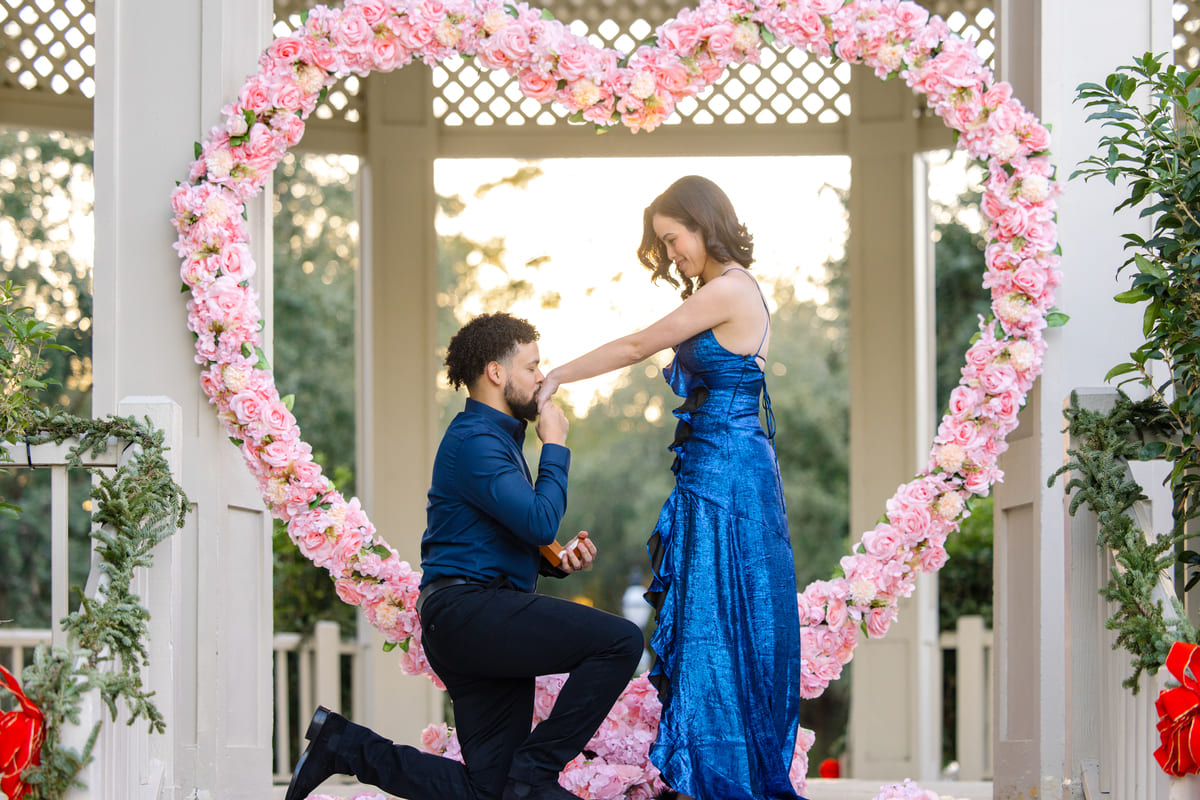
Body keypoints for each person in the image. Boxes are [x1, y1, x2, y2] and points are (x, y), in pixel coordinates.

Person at [286, 312, 645, 800]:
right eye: (533, 366)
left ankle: (343, 745)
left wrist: (553, 562)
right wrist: (556, 447)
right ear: (496, 373)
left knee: (488, 792)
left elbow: (502, 535)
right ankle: (537, 769)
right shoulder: (476, 441)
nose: (543, 377)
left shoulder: (493, 440)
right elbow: (540, 521)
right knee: (620, 641)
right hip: (468, 614)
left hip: (471, 618)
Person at [537, 176, 806, 800]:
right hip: (714, 470)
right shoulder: (722, 289)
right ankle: (715, 779)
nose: (670, 254)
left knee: (721, 621)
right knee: (711, 621)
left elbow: (639, 343)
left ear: (703, 222)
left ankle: (726, 782)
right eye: (661, 243)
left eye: (672, 238)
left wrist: (558, 376)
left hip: (730, 478)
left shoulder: (730, 289)